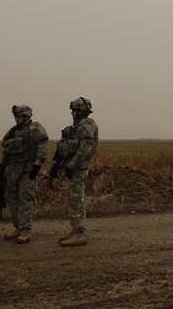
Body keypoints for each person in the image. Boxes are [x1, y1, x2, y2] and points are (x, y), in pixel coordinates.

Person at [50, 97, 99, 247]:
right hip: (74, 167)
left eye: (74, 110)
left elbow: (85, 148)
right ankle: (75, 229)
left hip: (78, 168)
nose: (71, 113)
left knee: (76, 198)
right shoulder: (79, 125)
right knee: (72, 198)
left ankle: (79, 232)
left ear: (81, 111)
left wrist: (72, 164)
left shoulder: (86, 126)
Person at [0, 104, 49, 244]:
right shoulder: (13, 132)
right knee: (12, 198)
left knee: (25, 199)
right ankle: (18, 227)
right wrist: (3, 165)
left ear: (26, 116)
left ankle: (26, 229)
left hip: (27, 169)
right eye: (15, 116)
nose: (16, 119)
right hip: (13, 170)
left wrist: (37, 165)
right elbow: (6, 148)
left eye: (18, 116)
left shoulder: (36, 128)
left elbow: (43, 146)